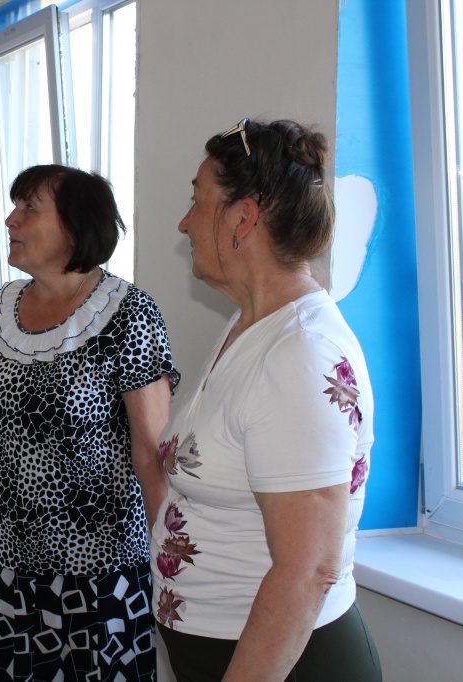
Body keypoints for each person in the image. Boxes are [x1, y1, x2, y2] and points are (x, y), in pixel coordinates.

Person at [0, 164, 179, 681]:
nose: (11, 219)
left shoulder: (129, 314)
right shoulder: (3, 308)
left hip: (99, 577)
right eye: (15, 206)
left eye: (30, 208)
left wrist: (169, 565)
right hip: (9, 566)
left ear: (75, 227)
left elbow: (150, 455)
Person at [150, 119, 382, 681]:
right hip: (221, 647)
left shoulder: (300, 355)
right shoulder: (252, 325)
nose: (184, 222)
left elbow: (309, 570)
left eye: (197, 200)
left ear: (244, 216)